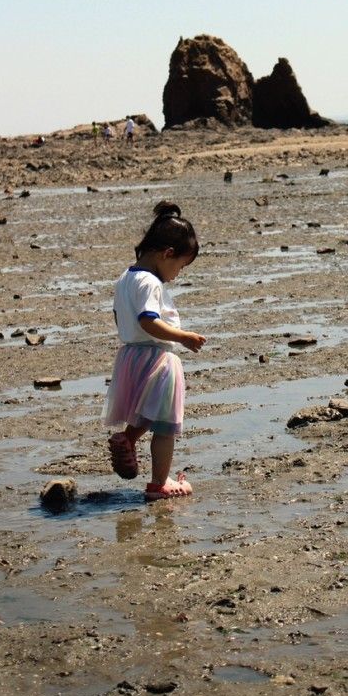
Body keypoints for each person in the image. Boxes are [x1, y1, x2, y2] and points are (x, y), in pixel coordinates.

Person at [103, 201, 206, 500]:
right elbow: (148, 320)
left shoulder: (126, 278)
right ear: (167, 254)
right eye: (180, 267)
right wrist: (183, 336)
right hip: (158, 355)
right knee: (166, 426)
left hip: (131, 355)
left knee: (149, 412)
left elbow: (120, 317)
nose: (177, 274)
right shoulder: (151, 283)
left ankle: (128, 437)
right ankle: (159, 484)